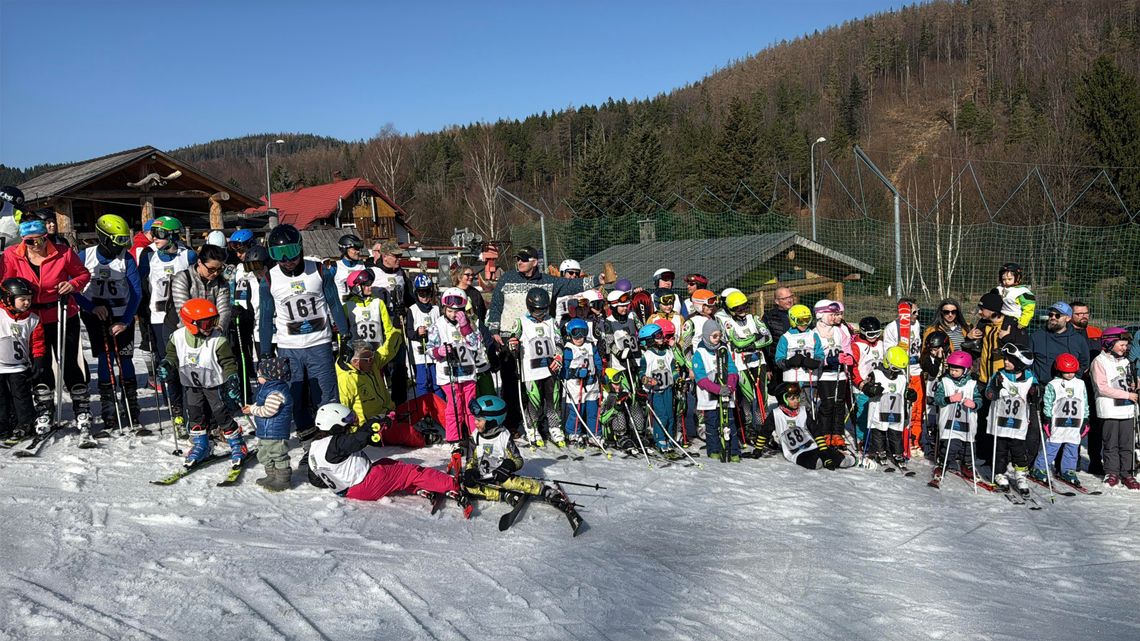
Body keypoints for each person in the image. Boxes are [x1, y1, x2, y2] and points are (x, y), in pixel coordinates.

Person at [258, 224, 350, 449]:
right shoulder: (269, 279)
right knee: (296, 397)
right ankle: (309, 444)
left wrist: (346, 335)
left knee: (326, 396)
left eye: (292, 255)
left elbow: (335, 304)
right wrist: (265, 352)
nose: (288, 261)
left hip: (319, 344)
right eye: (281, 258)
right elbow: (265, 317)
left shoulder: (319, 271)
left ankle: (330, 443)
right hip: (289, 348)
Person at [1, 218, 91, 434]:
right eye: (30, 242)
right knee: (39, 364)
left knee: (69, 361)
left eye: (40, 240)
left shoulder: (62, 252)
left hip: (61, 312)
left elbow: (83, 274)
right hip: (31, 316)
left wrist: (72, 284)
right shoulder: (13, 255)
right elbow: (4, 285)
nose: (36, 245)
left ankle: (81, 408)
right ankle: (44, 408)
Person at [461, 395, 583, 532]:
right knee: (467, 487)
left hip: (502, 476)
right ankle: (506, 495)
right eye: (475, 420)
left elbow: (518, 460)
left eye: (479, 420)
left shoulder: (503, 436)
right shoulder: (475, 435)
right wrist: (470, 471)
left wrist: (507, 466)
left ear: (492, 421)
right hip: (483, 477)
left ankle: (547, 492)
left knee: (512, 483)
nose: (475, 423)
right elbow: (471, 459)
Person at [307, 403, 462, 506]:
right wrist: (373, 425)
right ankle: (455, 485)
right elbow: (358, 440)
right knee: (411, 472)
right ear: (334, 424)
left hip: (350, 491)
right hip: (367, 483)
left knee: (388, 464)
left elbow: (316, 480)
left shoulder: (314, 449)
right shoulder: (337, 443)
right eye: (347, 420)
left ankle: (415, 487)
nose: (350, 424)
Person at [157, 299, 248, 467]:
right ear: (191, 323)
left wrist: (232, 378)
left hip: (214, 384)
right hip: (191, 385)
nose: (211, 327)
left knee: (221, 414)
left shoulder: (218, 340)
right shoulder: (177, 338)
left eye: (214, 321)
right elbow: (171, 355)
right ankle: (201, 444)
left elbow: (228, 362)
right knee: (195, 413)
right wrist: (167, 365)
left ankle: (237, 443)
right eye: (207, 323)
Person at [75, 214, 143, 435]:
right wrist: (90, 307)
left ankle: (131, 403)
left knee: (125, 357)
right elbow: (73, 289)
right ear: (104, 238)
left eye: (124, 240)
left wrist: (125, 321)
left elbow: (136, 293)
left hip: (122, 312)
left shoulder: (127, 258)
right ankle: (108, 405)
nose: (121, 246)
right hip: (97, 314)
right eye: (117, 241)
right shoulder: (85, 255)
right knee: (105, 357)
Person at [137, 215, 195, 434]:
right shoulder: (149, 255)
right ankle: (176, 410)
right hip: (159, 319)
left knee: (188, 364)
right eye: (153, 233)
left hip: (184, 319)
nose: (155, 238)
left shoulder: (187, 254)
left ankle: (194, 408)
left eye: (160, 234)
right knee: (168, 366)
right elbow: (143, 286)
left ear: (172, 235)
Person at [508, 287, 567, 448]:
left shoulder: (551, 320)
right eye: (537, 311)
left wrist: (559, 355)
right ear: (529, 307)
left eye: (543, 310)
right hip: (531, 369)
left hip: (550, 367)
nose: (540, 314)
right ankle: (532, 428)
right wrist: (513, 345)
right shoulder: (521, 321)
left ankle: (555, 428)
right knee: (534, 401)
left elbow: (558, 340)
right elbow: (513, 339)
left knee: (553, 399)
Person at [427, 287, 485, 446]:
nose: (454, 314)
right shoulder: (437, 325)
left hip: (467, 373)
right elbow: (430, 350)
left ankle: (474, 434)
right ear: (444, 308)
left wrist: (465, 326)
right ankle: (454, 438)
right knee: (454, 406)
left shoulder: (469, 323)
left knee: (471, 406)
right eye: (451, 311)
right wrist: (439, 351)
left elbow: (476, 345)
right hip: (449, 375)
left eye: (458, 311)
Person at [984, 341, 1040, 494]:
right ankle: (999, 473)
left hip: (1018, 422)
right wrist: (994, 387)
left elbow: (1035, 397)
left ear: (1020, 363)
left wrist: (1035, 393)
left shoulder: (1029, 377)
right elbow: (989, 394)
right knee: (1000, 449)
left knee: (1018, 450)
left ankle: (1021, 474)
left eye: (1010, 360)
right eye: (1006, 359)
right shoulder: (1000, 374)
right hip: (1000, 421)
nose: (1006, 362)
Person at [757, 383, 853, 469]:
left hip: (813, 445)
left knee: (841, 460)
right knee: (816, 463)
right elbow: (765, 432)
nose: (796, 401)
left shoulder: (803, 411)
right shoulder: (776, 414)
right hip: (796, 452)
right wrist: (758, 449)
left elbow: (815, 431)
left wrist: (823, 449)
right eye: (792, 398)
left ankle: (847, 458)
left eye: (797, 397)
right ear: (783, 399)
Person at [1029, 353, 1088, 487]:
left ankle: (1068, 470)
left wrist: (1086, 418)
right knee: (1052, 445)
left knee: (1072, 446)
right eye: (1066, 372)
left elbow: (1085, 401)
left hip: (1075, 421)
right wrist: (1047, 418)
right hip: (1058, 421)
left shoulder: (1080, 384)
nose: (1070, 375)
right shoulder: (1053, 384)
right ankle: (1039, 468)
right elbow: (1048, 402)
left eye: (1072, 372)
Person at [1091, 328, 1138, 489]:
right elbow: (1102, 388)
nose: (1125, 348)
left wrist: (1134, 385)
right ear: (1109, 343)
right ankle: (1111, 472)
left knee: (1127, 444)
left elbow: (1129, 382)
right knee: (1111, 443)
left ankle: (1127, 472)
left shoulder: (1125, 362)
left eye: (1126, 345)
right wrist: (1127, 395)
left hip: (1127, 410)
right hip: (1110, 409)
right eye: (1122, 345)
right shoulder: (1099, 362)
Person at [0, 278, 45, 445]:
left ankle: (25, 424)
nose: (26, 303)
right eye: (22, 299)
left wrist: (38, 360)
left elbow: (38, 342)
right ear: (8, 298)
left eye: (29, 299)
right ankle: (3, 425)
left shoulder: (33, 319)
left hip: (18, 367)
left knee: (21, 396)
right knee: (2, 398)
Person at [371, 240, 415, 405]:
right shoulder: (372, 272)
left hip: (397, 324)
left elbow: (409, 298)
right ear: (384, 256)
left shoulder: (401, 273)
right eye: (395, 256)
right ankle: (379, 400)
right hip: (379, 325)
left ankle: (400, 401)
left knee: (398, 365)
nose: (398, 259)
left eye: (399, 256)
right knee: (381, 363)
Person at [929, 350, 983, 479]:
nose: (953, 372)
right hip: (949, 421)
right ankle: (943, 464)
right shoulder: (945, 382)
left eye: (956, 370)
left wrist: (974, 404)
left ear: (965, 370)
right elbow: (938, 398)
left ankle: (968, 465)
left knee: (968, 446)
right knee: (950, 446)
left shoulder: (972, 384)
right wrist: (949, 399)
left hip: (967, 421)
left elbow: (979, 399)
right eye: (951, 369)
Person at [243, 357, 294, 492]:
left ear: (269, 376)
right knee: (265, 453)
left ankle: (283, 480)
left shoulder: (276, 392)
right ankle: (271, 476)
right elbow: (262, 404)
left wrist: (253, 410)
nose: (258, 376)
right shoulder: (269, 388)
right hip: (267, 430)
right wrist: (252, 406)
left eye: (259, 374)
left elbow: (268, 410)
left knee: (277, 454)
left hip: (275, 431)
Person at [692, 321, 739, 461]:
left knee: (730, 423)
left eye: (719, 335)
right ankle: (714, 449)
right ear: (707, 336)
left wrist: (730, 386)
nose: (718, 338)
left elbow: (732, 370)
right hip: (709, 397)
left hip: (726, 396)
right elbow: (700, 378)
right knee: (712, 424)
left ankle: (733, 450)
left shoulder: (724, 350)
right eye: (714, 336)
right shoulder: (700, 353)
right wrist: (717, 389)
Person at [862, 346, 916, 467]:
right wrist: (872, 389)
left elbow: (904, 391)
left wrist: (910, 394)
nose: (897, 371)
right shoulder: (876, 374)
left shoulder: (902, 377)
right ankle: (879, 451)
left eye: (900, 369)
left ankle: (897, 453)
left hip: (895, 411)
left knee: (895, 434)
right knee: (879, 432)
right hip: (879, 410)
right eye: (895, 368)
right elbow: (866, 388)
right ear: (887, 363)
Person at [883, 298, 924, 455]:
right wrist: (899, 351)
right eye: (914, 312)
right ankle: (898, 439)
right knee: (901, 407)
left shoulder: (917, 325)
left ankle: (915, 440)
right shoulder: (891, 328)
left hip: (915, 371)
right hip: (901, 374)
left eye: (917, 312)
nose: (917, 315)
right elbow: (888, 352)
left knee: (917, 406)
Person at [813, 299, 854, 450]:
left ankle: (838, 434)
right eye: (830, 314)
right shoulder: (815, 333)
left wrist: (849, 357)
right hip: (825, 375)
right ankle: (825, 433)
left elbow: (846, 347)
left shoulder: (839, 330)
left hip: (840, 374)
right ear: (820, 315)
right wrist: (829, 360)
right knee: (827, 405)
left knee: (839, 404)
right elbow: (814, 355)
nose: (833, 317)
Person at [1069, 300, 1104, 474]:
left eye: (1086, 313)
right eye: (1079, 314)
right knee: (1075, 423)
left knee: (1095, 425)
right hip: (1075, 385)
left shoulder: (1096, 333)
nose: (1084, 316)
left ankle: (1096, 461)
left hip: (1094, 385)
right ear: (1070, 316)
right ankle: (1071, 460)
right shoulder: (1066, 333)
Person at [637, 323, 681, 457]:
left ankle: (669, 438)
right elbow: (641, 374)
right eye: (658, 336)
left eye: (661, 334)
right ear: (649, 340)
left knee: (670, 415)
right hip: (655, 391)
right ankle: (660, 439)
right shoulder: (648, 355)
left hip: (668, 388)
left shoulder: (668, 352)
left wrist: (676, 377)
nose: (662, 338)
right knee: (661, 415)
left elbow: (674, 368)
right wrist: (648, 380)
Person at [562, 318, 603, 445]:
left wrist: (600, 373)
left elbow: (597, 361)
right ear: (570, 334)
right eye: (576, 333)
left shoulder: (590, 346)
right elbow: (563, 371)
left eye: (583, 333)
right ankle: (572, 432)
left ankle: (594, 433)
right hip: (576, 385)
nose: (579, 337)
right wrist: (575, 373)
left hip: (591, 383)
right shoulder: (569, 349)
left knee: (593, 410)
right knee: (577, 410)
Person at [343, 269, 401, 355]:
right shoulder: (347, 307)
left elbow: (388, 329)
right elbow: (343, 333)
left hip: (378, 353)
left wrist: (387, 349)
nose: (370, 287)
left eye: (370, 284)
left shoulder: (378, 303)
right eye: (366, 285)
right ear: (356, 287)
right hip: (356, 355)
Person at [1029, 301, 1090, 384]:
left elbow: (1084, 363)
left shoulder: (1078, 339)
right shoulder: (1036, 337)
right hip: (1041, 386)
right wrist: (1034, 381)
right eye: (1051, 315)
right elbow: (1028, 361)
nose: (1053, 317)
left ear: (1068, 318)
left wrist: (1074, 379)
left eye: (1058, 315)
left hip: (1067, 388)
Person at [850, 317, 885, 447]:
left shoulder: (881, 344)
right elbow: (852, 368)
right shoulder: (857, 346)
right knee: (863, 414)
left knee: (878, 413)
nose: (874, 337)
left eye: (877, 333)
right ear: (863, 332)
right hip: (863, 387)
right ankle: (862, 439)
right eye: (871, 334)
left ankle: (878, 440)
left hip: (878, 386)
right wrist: (860, 383)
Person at [406, 273, 442, 399]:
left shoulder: (437, 310)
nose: (425, 296)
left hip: (435, 353)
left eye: (427, 292)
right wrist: (417, 333)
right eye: (421, 293)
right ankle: (425, 411)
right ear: (416, 293)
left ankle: (440, 411)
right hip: (420, 355)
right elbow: (408, 332)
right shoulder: (412, 310)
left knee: (437, 383)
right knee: (423, 383)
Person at [992, 262, 1035, 344]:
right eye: (1004, 279)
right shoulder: (999, 289)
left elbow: (1029, 308)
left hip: (1014, 320)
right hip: (1000, 317)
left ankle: (1003, 346)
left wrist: (1023, 321)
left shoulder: (1022, 292)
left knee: (1008, 334)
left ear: (1018, 278)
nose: (1006, 282)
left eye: (1009, 279)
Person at [762, 286, 796, 373]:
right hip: (777, 365)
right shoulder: (769, 317)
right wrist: (767, 367)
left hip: (798, 361)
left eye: (790, 297)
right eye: (785, 298)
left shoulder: (799, 312)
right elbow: (764, 344)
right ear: (777, 301)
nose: (789, 300)